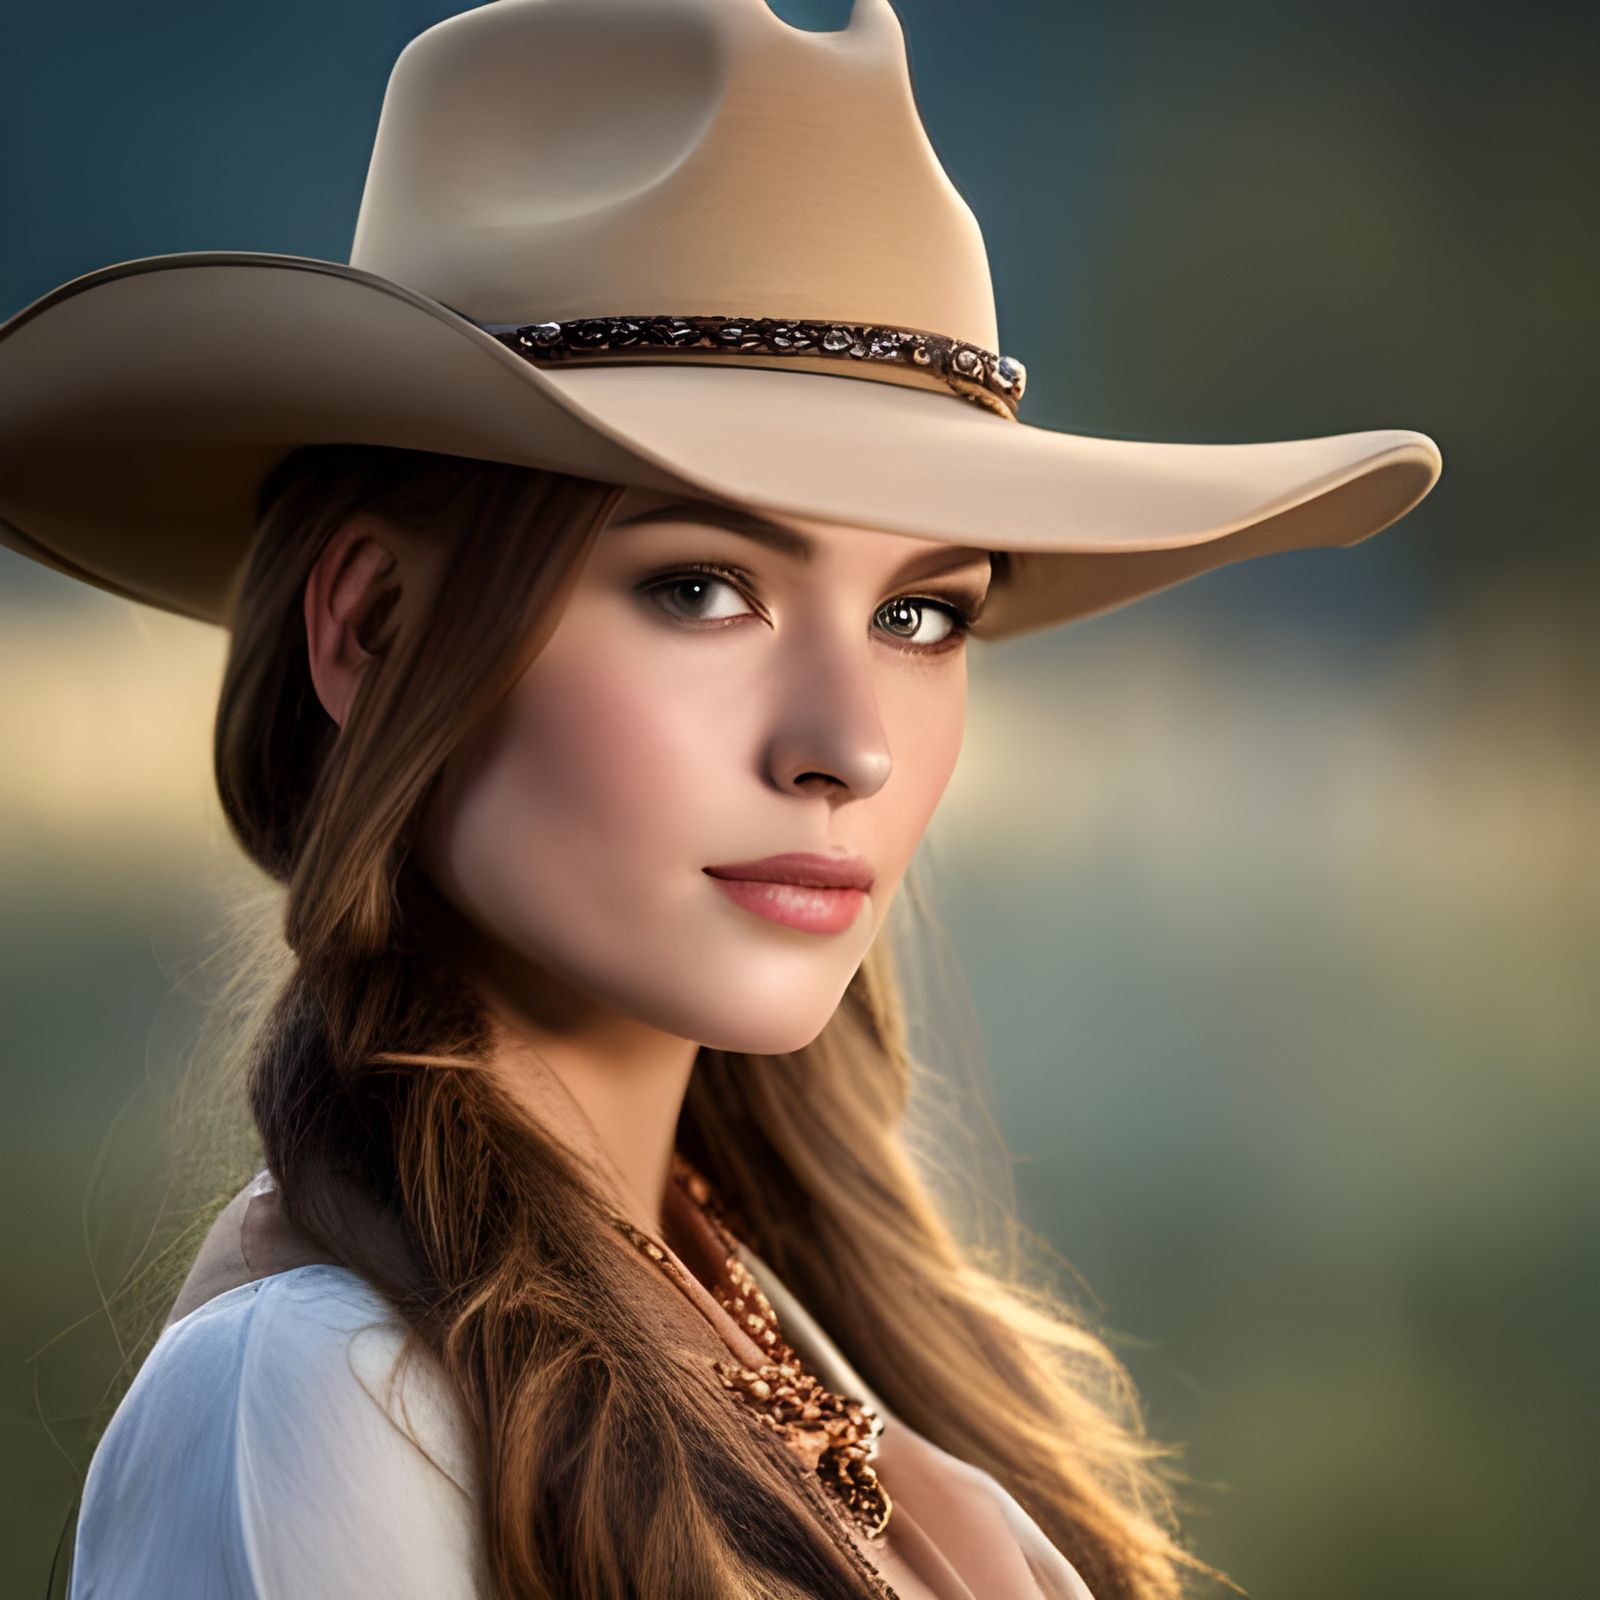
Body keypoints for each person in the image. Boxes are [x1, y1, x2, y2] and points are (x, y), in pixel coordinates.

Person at [0, 3, 1440, 1598]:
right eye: (700, 586)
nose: (850, 747)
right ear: (373, 631)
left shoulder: (786, 1328)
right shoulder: (316, 1407)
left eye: (923, 615)